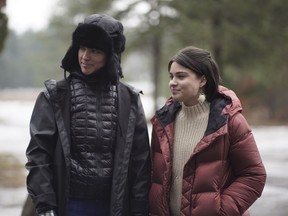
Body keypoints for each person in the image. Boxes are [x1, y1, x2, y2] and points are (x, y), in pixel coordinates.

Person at [25, 14, 151, 216]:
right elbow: (38, 154)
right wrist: (45, 204)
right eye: (82, 48)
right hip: (67, 205)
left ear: (111, 55)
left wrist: (139, 209)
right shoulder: (55, 96)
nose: (85, 56)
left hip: (114, 207)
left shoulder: (130, 99)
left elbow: (140, 162)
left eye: (94, 50)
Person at [149, 46, 266, 216]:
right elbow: (154, 175)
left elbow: (254, 175)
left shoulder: (229, 120)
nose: (172, 82)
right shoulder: (162, 123)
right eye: (171, 76)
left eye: (181, 76)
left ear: (202, 80)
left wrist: (221, 211)